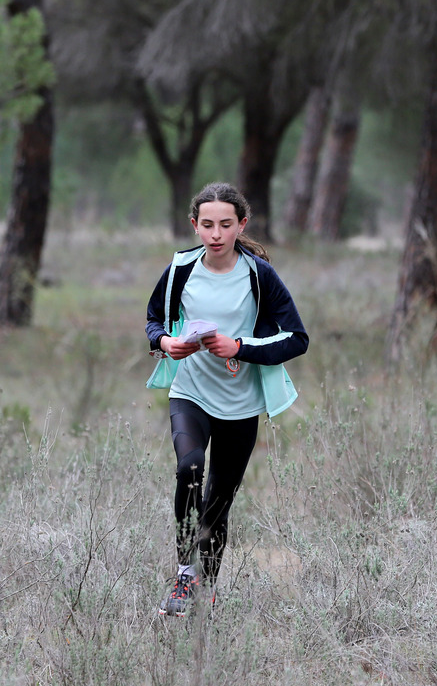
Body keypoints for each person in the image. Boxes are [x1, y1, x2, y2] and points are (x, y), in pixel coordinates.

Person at [145, 182, 308, 617]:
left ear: (242, 225)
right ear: (194, 225)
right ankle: (184, 575)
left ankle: (207, 588)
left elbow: (297, 339)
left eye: (226, 224)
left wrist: (241, 348)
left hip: (240, 405)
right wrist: (167, 343)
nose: (216, 234)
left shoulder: (259, 275)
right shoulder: (179, 269)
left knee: (218, 500)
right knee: (189, 467)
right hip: (190, 393)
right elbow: (153, 321)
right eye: (207, 224)